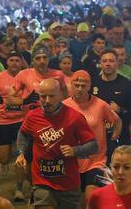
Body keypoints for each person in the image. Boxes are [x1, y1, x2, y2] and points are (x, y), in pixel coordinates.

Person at [16, 78, 97, 209]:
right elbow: (23, 134)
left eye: (51, 96)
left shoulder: (75, 117)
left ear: (60, 94)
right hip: (42, 181)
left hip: (68, 183)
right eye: (43, 96)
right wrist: (21, 153)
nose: (47, 101)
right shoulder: (32, 116)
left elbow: (93, 146)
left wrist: (75, 151)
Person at [63, 70, 121, 205]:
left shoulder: (100, 105)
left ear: (89, 86)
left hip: (97, 160)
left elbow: (117, 121)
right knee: (77, 201)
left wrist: (115, 136)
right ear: (71, 85)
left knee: (91, 198)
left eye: (83, 86)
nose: (79, 89)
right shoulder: (64, 106)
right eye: (76, 85)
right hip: (72, 161)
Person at [0, 51, 28, 200]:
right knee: (4, 158)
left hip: (22, 121)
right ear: (7, 62)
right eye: (11, 60)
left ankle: (19, 189)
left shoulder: (26, 77)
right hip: (4, 122)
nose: (14, 63)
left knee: (20, 156)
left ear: (21, 63)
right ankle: (2, 167)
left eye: (17, 60)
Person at [91, 49, 131, 156]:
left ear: (117, 63)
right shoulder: (93, 83)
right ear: (100, 64)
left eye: (111, 61)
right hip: (97, 137)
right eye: (104, 61)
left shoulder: (126, 84)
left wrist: (120, 110)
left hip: (121, 136)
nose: (108, 64)